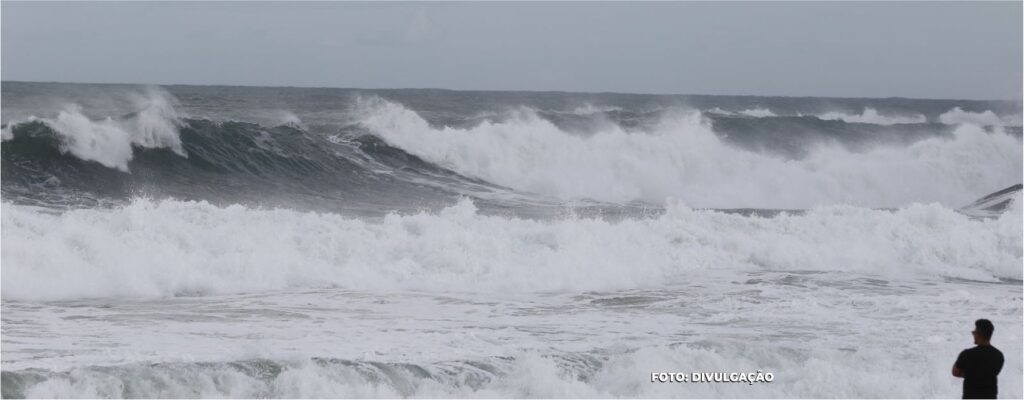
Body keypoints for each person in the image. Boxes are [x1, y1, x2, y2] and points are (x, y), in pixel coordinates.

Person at [952, 319, 1004, 399]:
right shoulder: (999, 355)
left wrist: (970, 374)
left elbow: (955, 372)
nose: (972, 333)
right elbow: (992, 373)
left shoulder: (967, 354)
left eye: (974, 332)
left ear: (979, 334)